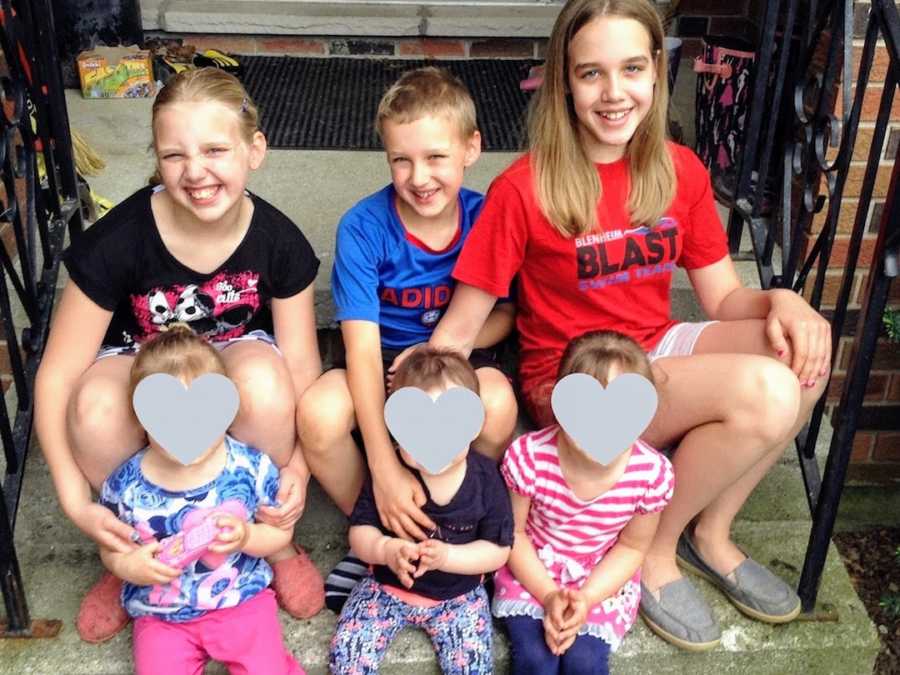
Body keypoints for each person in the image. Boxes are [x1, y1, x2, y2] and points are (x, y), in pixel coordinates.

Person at [427, 0, 831, 651]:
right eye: (591, 73)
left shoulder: (679, 168)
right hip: (573, 377)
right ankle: (651, 552)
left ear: (657, 73)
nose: (615, 92)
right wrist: (417, 398)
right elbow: (461, 326)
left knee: (802, 352)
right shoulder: (524, 189)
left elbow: (725, 297)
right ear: (563, 79)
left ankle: (711, 531)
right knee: (769, 389)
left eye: (632, 68)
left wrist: (784, 302)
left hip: (656, 346)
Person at [34, 68, 324, 643]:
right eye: (174, 155)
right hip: (142, 359)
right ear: (158, 160)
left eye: (215, 149)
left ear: (254, 150)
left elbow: (304, 370)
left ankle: (272, 537)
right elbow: (56, 375)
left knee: (268, 383)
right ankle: (127, 552)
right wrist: (74, 501)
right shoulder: (120, 240)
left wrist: (299, 470)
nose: (195, 172)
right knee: (94, 403)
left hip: (233, 356)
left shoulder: (279, 241)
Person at [297, 67, 518, 612]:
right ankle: (379, 529)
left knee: (494, 403)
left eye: (436, 157)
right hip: (383, 364)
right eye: (402, 159)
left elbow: (507, 313)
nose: (419, 176)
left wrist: (448, 351)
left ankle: (465, 525)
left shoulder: (486, 217)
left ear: (471, 149)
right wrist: (386, 469)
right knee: (321, 413)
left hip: (458, 364)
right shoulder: (364, 227)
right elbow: (362, 352)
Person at [100, 326, 303, 674]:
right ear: (142, 419)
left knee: (265, 668)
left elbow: (280, 532)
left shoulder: (248, 466)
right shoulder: (127, 485)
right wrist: (127, 567)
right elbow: (111, 544)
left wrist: (248, 537)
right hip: (162, 613)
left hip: (240, 601)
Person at [495, 331, 672, 674]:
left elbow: (633, 548)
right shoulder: (529, 458)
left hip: (600, 576)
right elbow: (514, 535)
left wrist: (587, 598)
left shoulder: (650, 474)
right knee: (535, 658)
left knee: (585, 662)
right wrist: (548, 595)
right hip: (533, 568)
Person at [329, 347, 514, 674]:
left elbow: (498, 550)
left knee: (473, 666)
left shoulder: (486, 479)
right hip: (385, 588)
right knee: (349, 652)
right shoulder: (392, 477)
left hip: (459, 598)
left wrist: (448, 558)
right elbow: (360, 532)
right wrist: (385, 549)